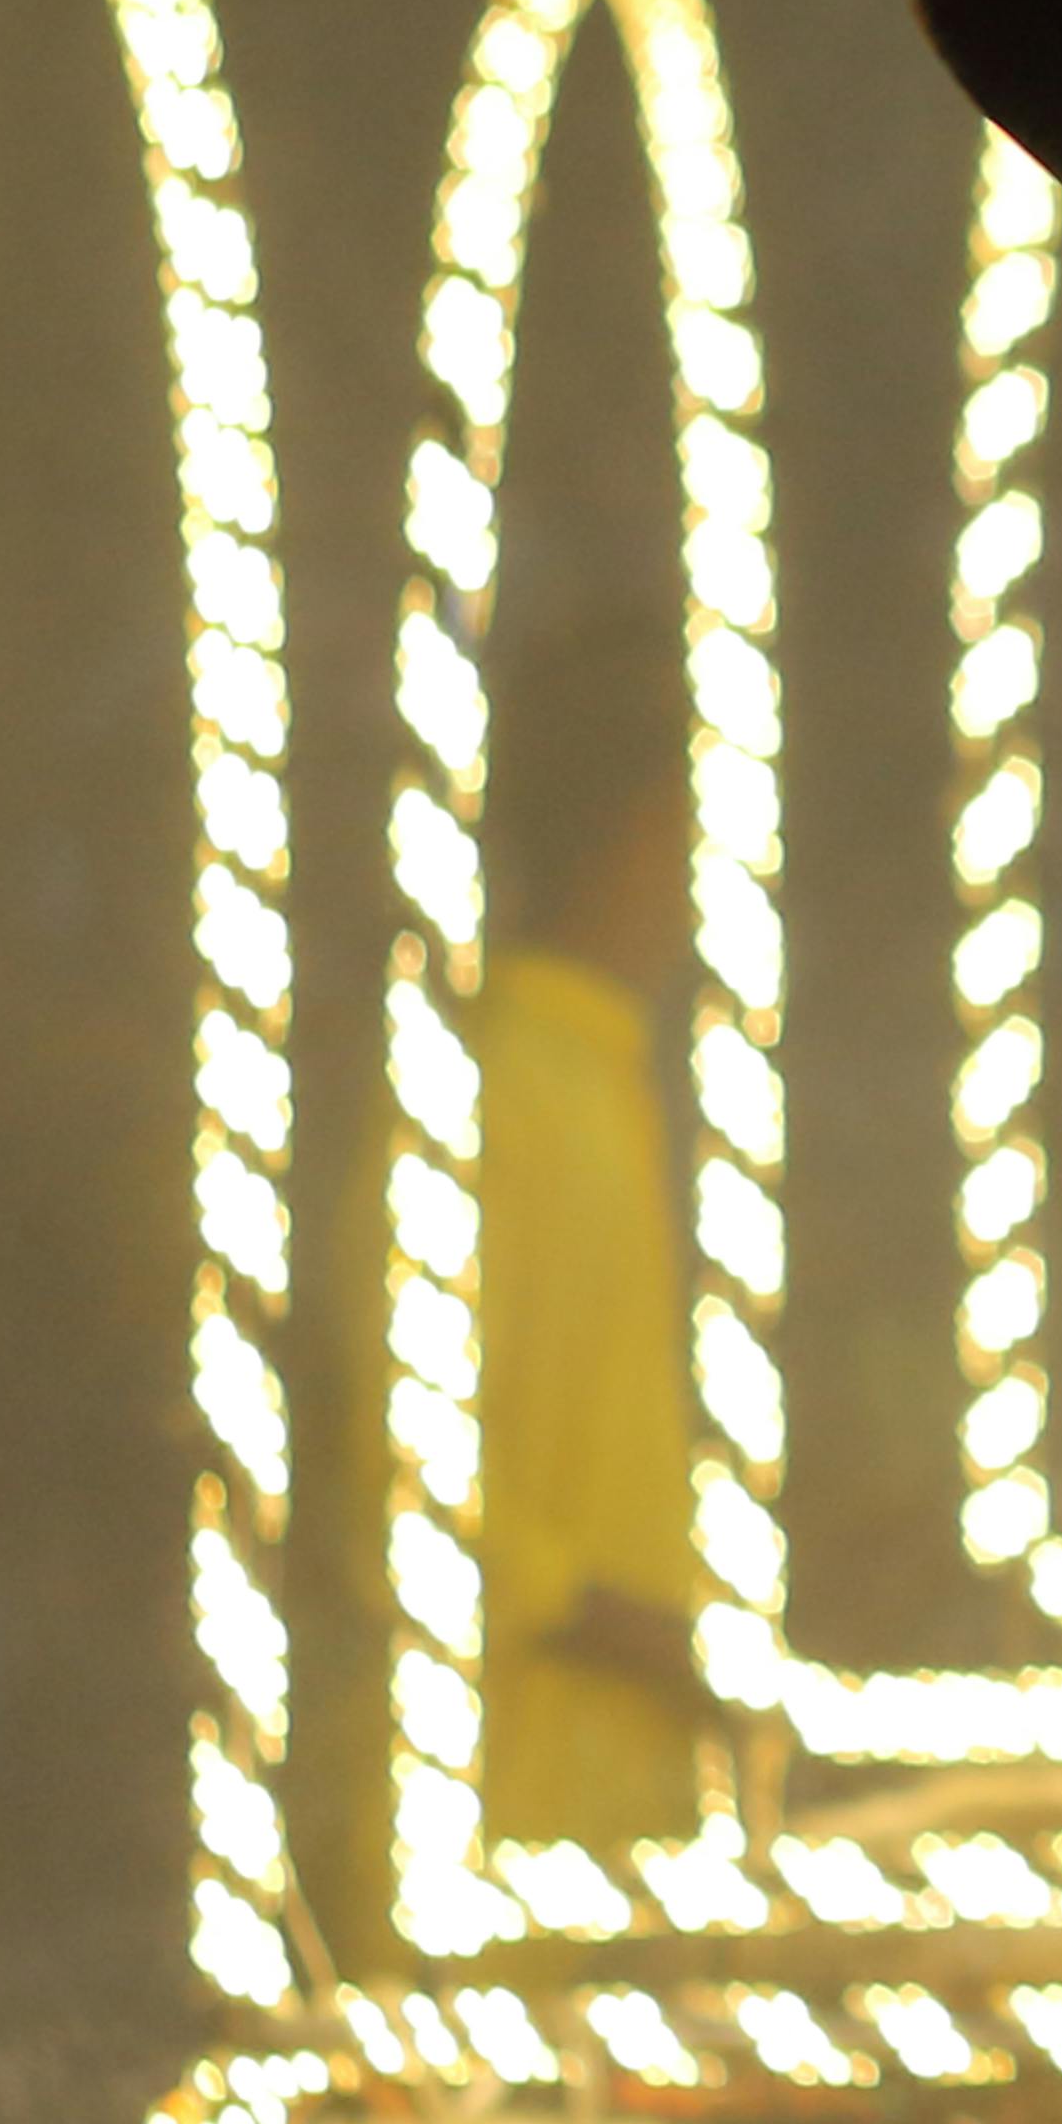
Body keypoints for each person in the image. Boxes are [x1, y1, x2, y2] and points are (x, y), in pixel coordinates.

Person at [466, 745, 706, 1852]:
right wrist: (618, 1621)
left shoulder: (596, 1089)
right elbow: (374, 1476)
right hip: (506, 1812)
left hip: (619, 1814)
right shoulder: (496, 1102)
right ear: (644, 835)